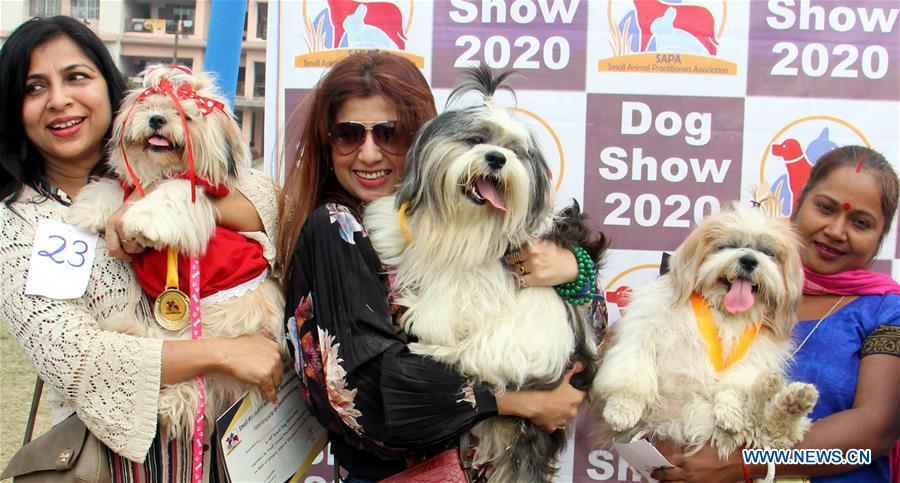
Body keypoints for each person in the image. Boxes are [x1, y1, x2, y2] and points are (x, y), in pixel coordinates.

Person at [278, 51, 603, 480]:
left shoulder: (486, 219)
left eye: (389, 134)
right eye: (348, 134)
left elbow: (586, 337)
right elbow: (365, 397)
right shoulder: (336, 230)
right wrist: (516, 401)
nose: (369, 153)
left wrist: (575, 270)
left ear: (421, 139)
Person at [0, 16, 283, 480]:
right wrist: (225, 353)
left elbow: (271, 203)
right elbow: (76, 357)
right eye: (35, 87)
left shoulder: (157, 163)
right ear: (14, 107)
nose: (59, 99)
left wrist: (170, 201)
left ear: (109, 88)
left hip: (226, 453)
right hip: (111, 460)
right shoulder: (19, 223)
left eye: (76, 77)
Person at [652, 145, 900, 482]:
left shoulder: (886, 311)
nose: (836, 230)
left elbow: (876, 435)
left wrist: (749, 462)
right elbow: (656, 377)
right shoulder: (717, 282)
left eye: (860, 222)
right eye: (825, 208)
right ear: (799, 203)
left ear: (881, 236)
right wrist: (670, 447)